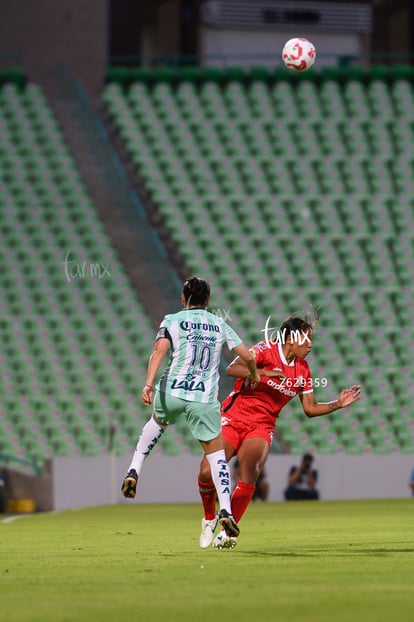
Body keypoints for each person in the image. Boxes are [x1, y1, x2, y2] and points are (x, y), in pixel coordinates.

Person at [197, 312, 361, 549]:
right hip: (233, 417)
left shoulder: (303, 370)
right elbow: (234, 368)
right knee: (205, 472)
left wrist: (337, 403)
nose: (311, 345)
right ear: (291, 339)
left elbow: (310, 408)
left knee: (250, 469)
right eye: (307, 339)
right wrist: (262, 373)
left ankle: (228, 531)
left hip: (262, 425)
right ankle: (209, 518)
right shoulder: (266, 349)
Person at [121, 276, 260, 541]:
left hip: (172, 390)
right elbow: (249, 356)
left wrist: (148, 383)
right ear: (207, 301)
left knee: (157, 423)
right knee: (216, 455)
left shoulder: (172, 320)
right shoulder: (219, 324)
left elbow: (159, 351)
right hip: (203, 399)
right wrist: (253, 374)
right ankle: (227, 512)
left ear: (183, 299)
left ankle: (134, 469)